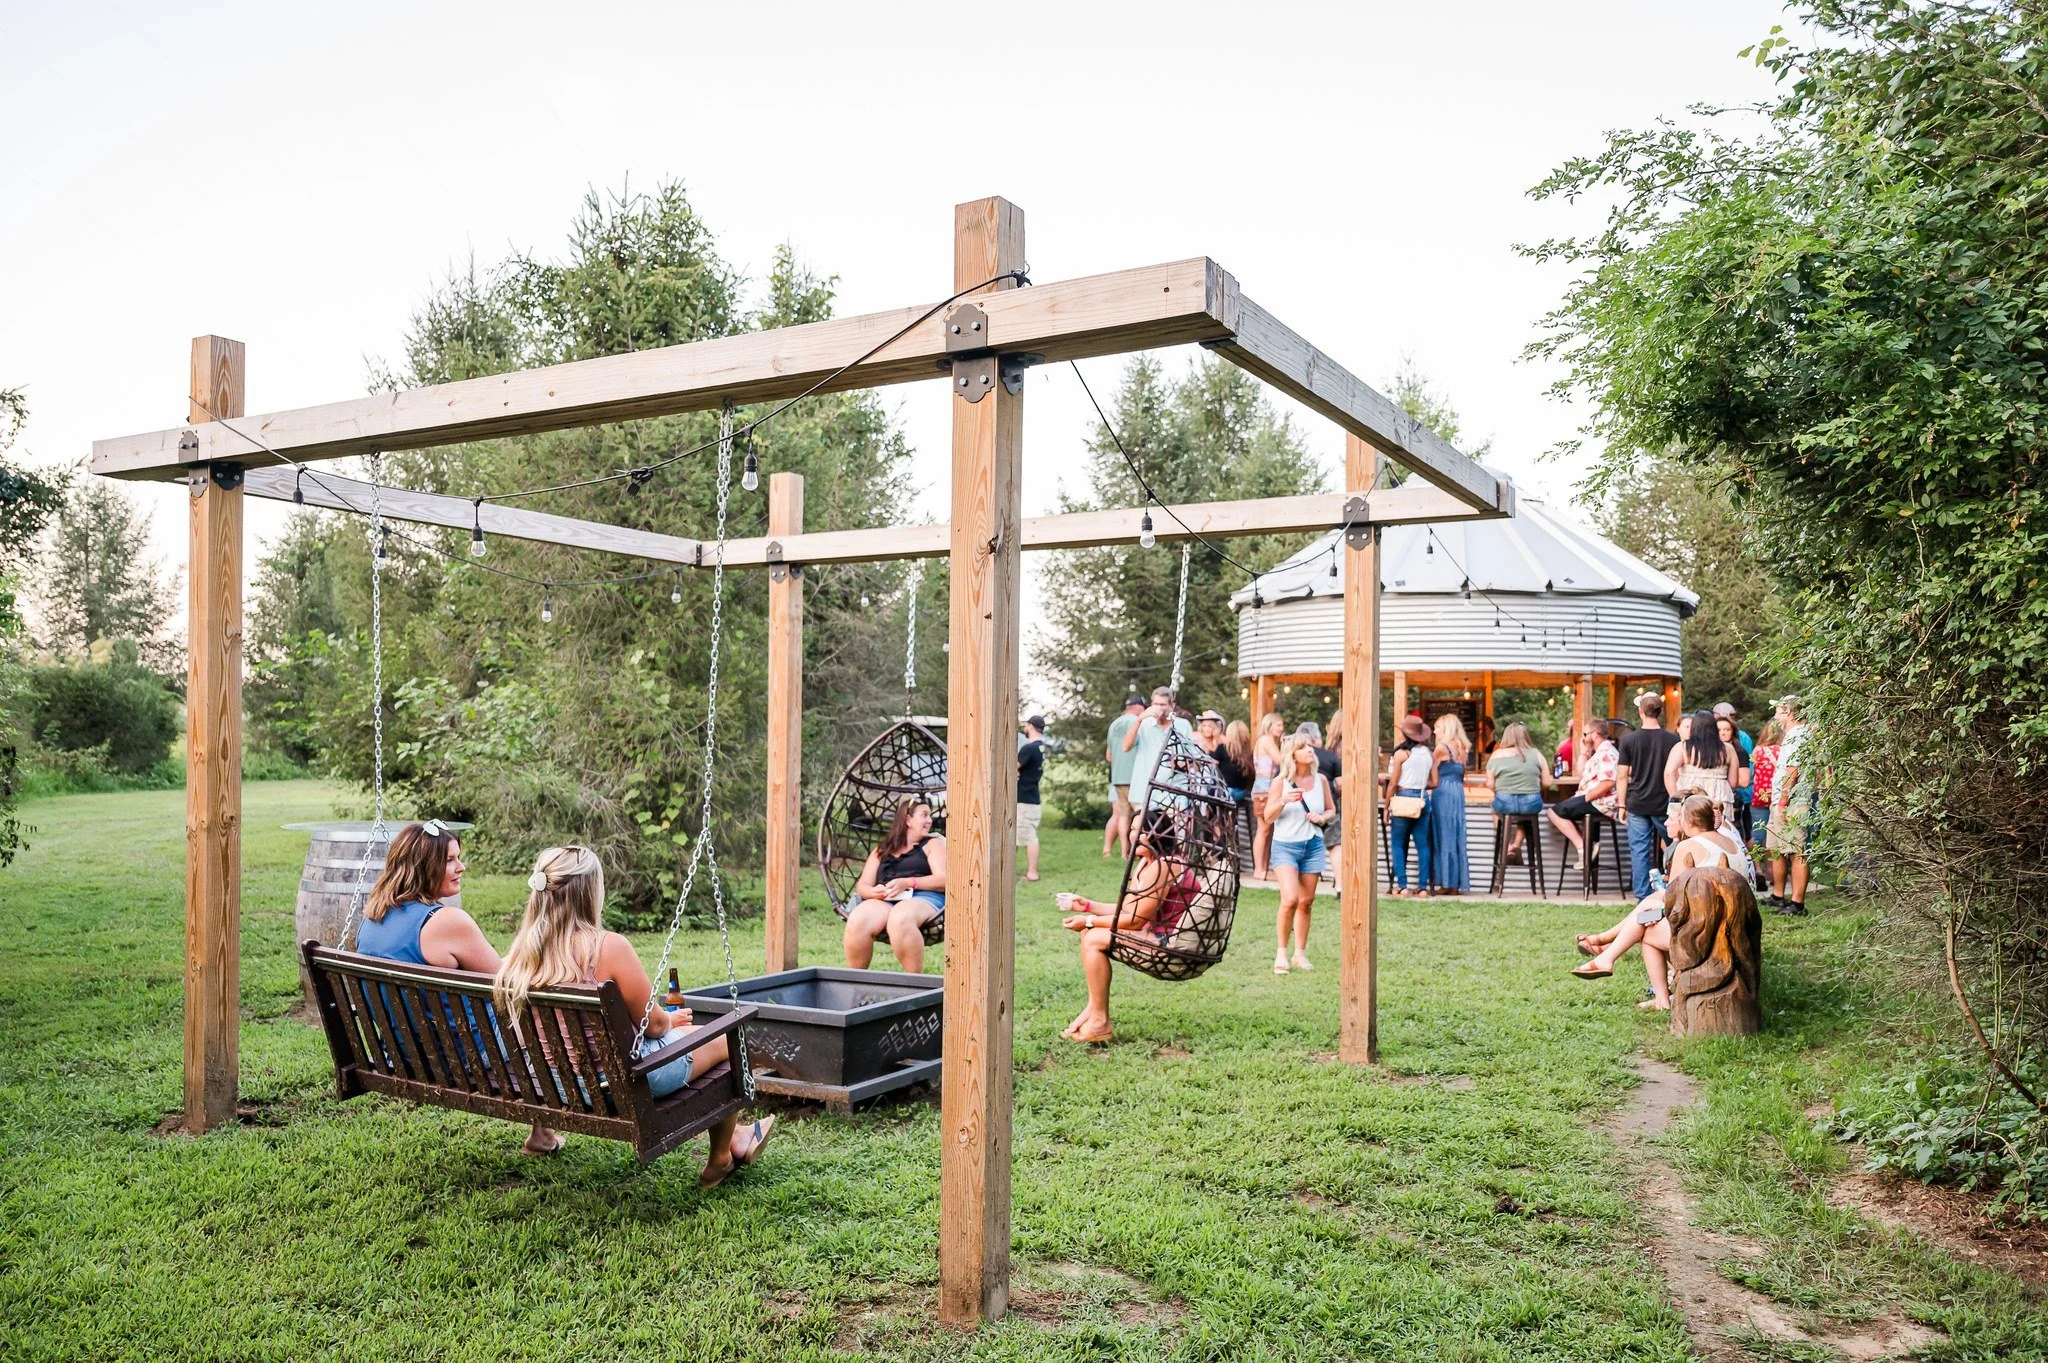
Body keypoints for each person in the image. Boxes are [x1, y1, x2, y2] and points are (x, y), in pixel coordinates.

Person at [496, 845, 773, 1179]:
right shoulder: (607, 947)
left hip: (551, 1080)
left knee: (692, 1035)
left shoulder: (519, 954)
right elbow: (653, 1026)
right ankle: (721, 1158)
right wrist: (669, 1021)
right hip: (617, 1085)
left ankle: (739, 1135)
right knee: (726, 1040)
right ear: (590, 892)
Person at [1570, 796, 1753, 1010]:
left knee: (1648, 931)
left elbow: (1672, 899)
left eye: (1680, 817)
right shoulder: (1731, 842)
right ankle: (1605, 948)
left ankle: (1659, 998)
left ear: (1690, 821)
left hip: (1710, 933)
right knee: (1649, 907)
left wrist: (1656, 909)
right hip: (1737, 928)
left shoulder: (1689, 845)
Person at [1054, 809, 1199, 1043]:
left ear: (1159, 834)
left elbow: (1135, 921)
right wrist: (1087, 905)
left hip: (1168, 941)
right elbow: (1128, 910)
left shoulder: (1166, 865)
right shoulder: (1145, 863)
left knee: (1092, 937)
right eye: (1132, 829)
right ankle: (1094, 1011)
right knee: (1089, 933)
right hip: (1151, 933)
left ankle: (1099, 1021)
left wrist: (1088, 920)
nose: (1134, 835)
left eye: (1142, 830)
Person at [842, 799, 948, 973]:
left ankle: (914, 983)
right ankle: (855, 983)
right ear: (908, 819)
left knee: (900, 918)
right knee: (858, 919)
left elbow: (944, 880)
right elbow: (863, 885)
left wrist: (908, 882)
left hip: (924, 897)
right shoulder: (882, 849)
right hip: (886, 899)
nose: (930, 820)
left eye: (930, 816)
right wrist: (873, 892)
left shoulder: (933, 844)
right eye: (924, 815)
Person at [1265, 734, 1336, 971]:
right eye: (1302, 747)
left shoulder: (1321, 780)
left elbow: (1331, 810)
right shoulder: (1281, 782)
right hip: (1285, 846)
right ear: (1292, 755)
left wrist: (1321, 817)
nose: (1309, 750)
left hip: (1312, 845)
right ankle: (1281, 954)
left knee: (1306, 902)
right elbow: (1268, 817)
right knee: (1290, 899)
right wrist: (1283, 801)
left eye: (1309, 746)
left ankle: (1300, 954)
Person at [1614, 693, 1682, 901]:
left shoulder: (1628, 740)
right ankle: (1677, 890)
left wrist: (1622, 805)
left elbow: (1622, 776)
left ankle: (1642, 896)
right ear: (1660, 712)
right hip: (1665, 803)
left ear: (1641, 712)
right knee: (1676, 846)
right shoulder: (1673, 740)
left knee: (1639, 850)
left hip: (1637, 802)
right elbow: (1677, 773)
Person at [1545, 718, 1621, 871]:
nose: (1583, 738)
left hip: (1599, 802)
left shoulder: (1606, 752)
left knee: (1553, 812)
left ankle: (1583, 849)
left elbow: (1608, 782)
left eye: (1585, 734)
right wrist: (1583, 753)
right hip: (1595, 800)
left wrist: (1587, 797)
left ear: (1594, 734)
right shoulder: (1598, 753)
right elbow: (1582, 776)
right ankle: (1587, 847)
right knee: (1559, 811)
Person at [1768, 696, 1816, 916]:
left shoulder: (1798, 735)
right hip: (1783, 800)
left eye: (1778, 711)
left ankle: (1797, 904)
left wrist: (1784, 801)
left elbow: (1792, 770)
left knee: (1797, 851)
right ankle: (1779, 897)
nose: (1775, 716)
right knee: (1777, 848)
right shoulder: (1792, 735)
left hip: (1793, 802)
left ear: (1789, 712)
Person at [1663, 709, 1742, 838]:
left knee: (1686, 837)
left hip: (1690, 797)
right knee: (1720, 836)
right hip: (1719, 798)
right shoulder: (1728, 749)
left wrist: (1676, 798)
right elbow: (1733, 782)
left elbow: (1669, 773)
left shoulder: (1683, 747)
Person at [1483, 721, 1554, 863]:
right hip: (1531, 803)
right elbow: (1547, 783)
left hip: (1504, 803)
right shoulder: (1536, 754)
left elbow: (1490, 784)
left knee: (1495, 810)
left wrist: (1502, 787)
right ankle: (1516, 845)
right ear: (1525, 736)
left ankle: (1507, 846)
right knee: (1525, 814)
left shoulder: (1496, 755)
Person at [1383, 714, 1438, 898]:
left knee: (1398, 844)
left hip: (1403, 800)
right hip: (1422, 800)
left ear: (1405, 734)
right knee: (1422, 845)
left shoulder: (1401, 754)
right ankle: (1422, 888)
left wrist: (1386, 806)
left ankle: (1402, 886)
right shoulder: (1429, 754)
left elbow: (1393, 784)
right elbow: (1435, 782)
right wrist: (1418, 786)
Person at [1427, 714, 1472, 894]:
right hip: (1457, 792)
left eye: (1437, 727)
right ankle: (1454, 884)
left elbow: (1432, 776)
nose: (1434, 731)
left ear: (1446, 728)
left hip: (1443, 792)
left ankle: (1446, 883)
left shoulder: (1441, 748)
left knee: (1443, 835)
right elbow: (1462, 775)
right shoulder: (1462, 748)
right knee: (1455, 835)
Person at [1104, 695, 1145, 860]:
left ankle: (1124, 852)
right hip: (1135, 776)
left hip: (1117, 776)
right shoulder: (1139, 723)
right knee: (1139, 814)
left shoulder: (1114, 724)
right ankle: (1138, 851)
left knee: (1122, 815)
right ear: (1138, 707)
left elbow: (1109, 756)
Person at [1251, 711, 1286, 882]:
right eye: (1278, 725)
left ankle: (1263, 868)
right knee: (1263, 830)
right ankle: (1259, 869)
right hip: (1264, 790)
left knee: (1267, 830)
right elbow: (1281, 760)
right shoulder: (1266, 740)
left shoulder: (1266, 741)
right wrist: (1286, 746)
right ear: (1269, 725)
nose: (1281, 728)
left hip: (1266, 789)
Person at [1748, 720, 1781, 890]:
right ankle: (1772, 870)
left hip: (1759, 796)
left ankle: (1757, 868)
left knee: (1757, 835)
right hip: (1777, 796)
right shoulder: (1782, 750)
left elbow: (1751, 773)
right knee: (1774, 834)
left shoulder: (1757, 750)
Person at [1016, 715, 1046, 883]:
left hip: (1025, 799)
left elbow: (1012, 766)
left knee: (1029, 836)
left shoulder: (1029, 748)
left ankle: (1032, 874)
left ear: (1030, 726)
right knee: (1024, 835)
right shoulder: (1041, 747)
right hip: (1032, 796)